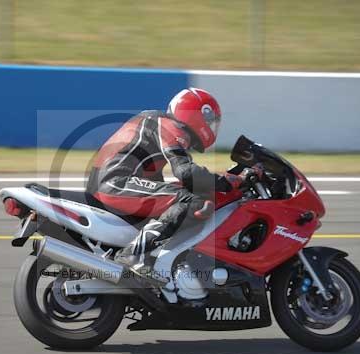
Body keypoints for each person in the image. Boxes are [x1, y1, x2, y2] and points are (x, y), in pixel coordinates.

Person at [86, 88, 260, 270]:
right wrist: (224, 182)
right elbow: (185, 171)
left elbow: (171, 179)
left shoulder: (155, 123)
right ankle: (131, 256)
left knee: (185, 195)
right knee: (191, 201)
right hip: (115, 182)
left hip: (114, 180)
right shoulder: (167, 125)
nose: (211, 127)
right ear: (195, 113)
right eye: (210, 121)